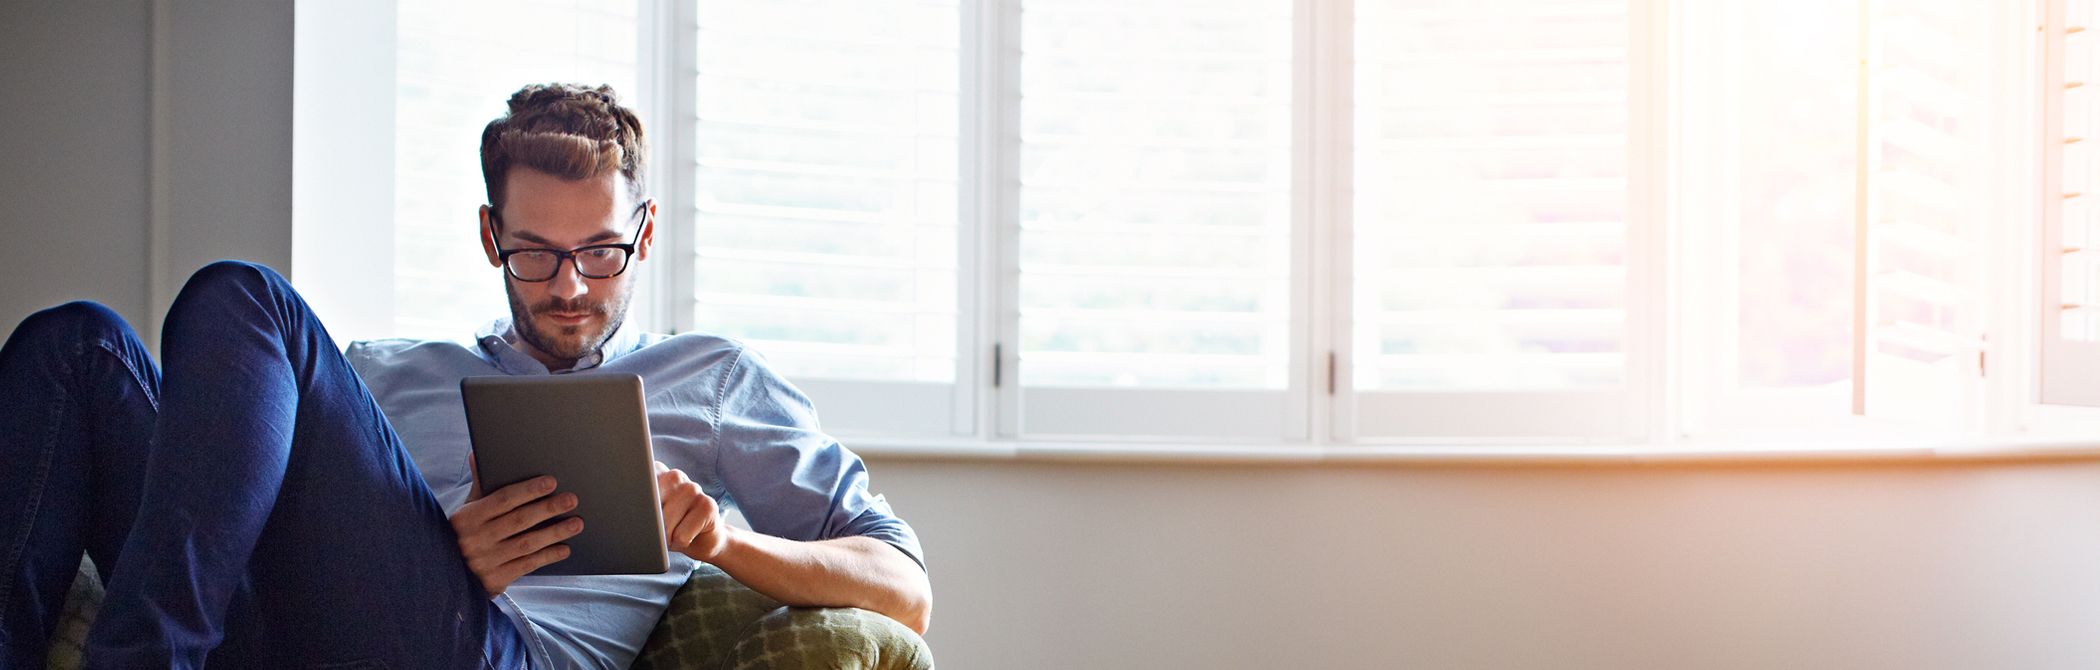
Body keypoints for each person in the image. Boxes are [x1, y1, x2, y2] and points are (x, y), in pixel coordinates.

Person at [0, 83, 930, 669]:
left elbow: (904, 588)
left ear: (645, 236)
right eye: (534, 253)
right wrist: (440, 547)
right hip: (270, 627)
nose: (570, 287)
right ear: (491, 237)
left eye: (602, 252)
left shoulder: (712, 376)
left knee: (245, 295)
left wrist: (726, 542)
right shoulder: (386, 374)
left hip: (488, 654)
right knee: (75, 345)